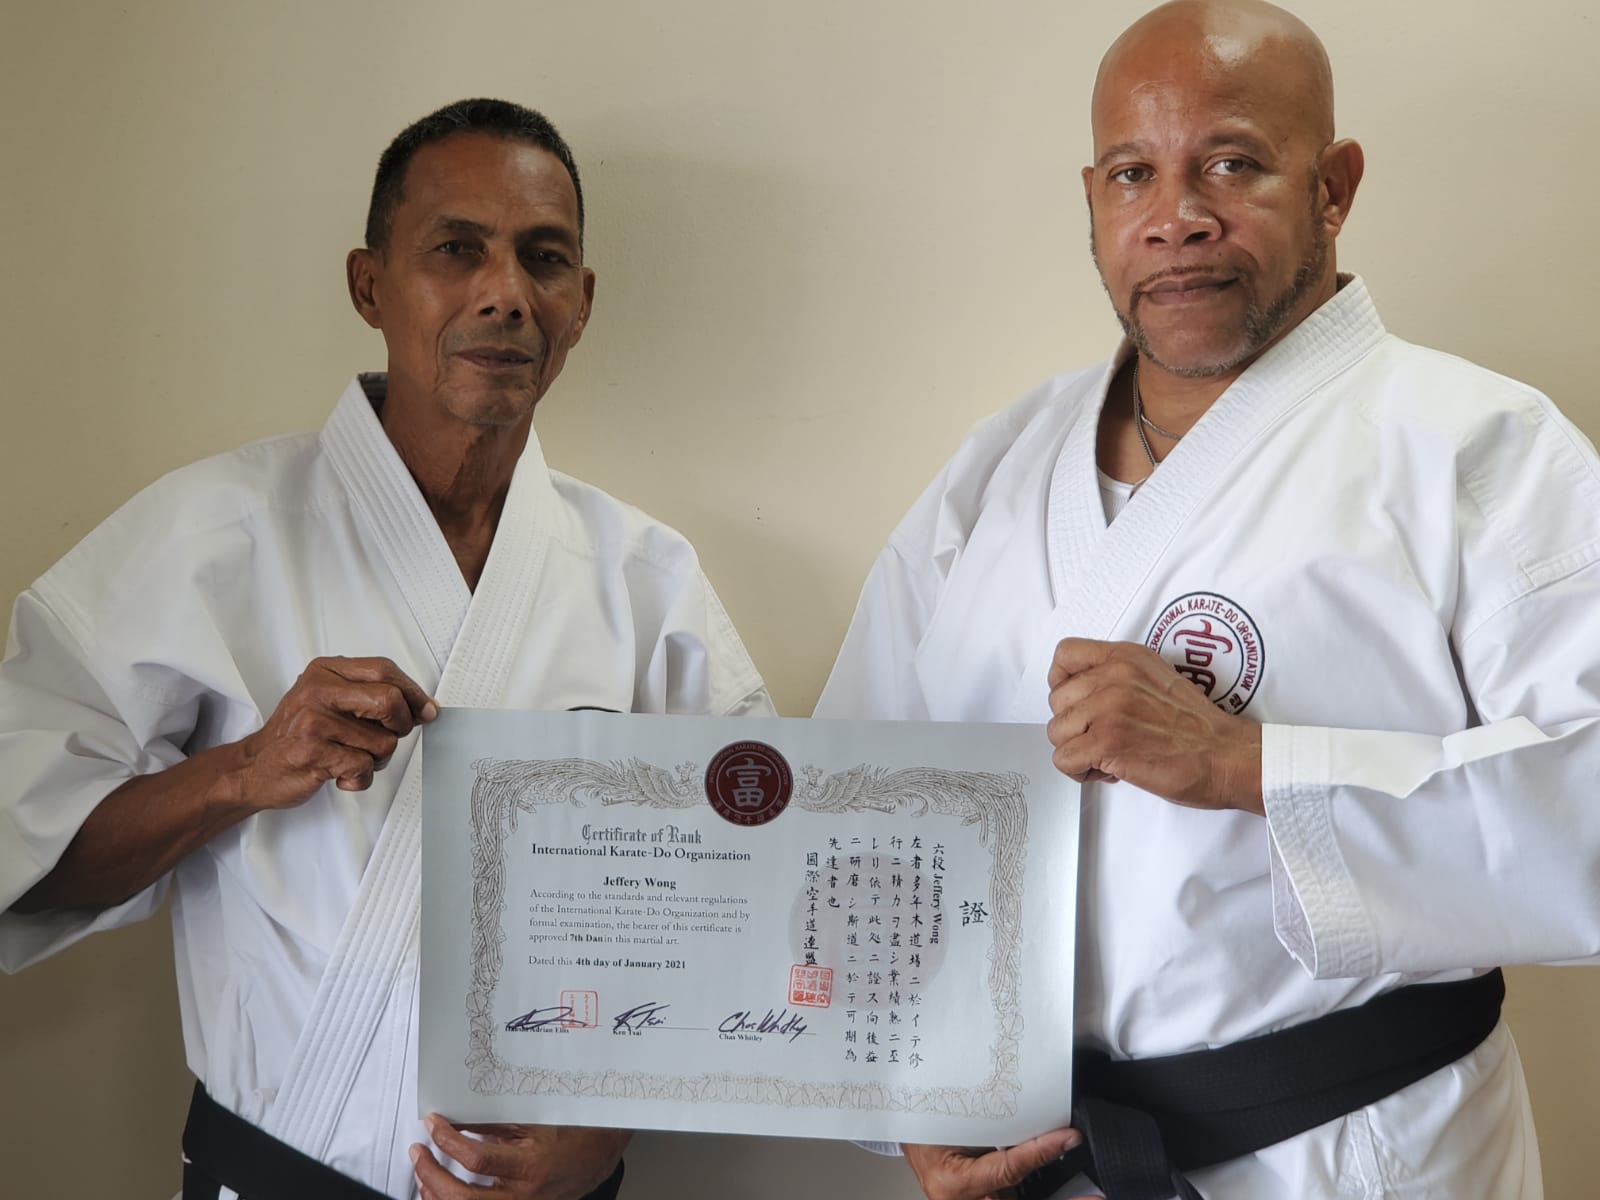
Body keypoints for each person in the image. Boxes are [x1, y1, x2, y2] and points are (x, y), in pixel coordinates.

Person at [816, 2, 1598, 1197]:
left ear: (1333, 186)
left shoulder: (1479, 450)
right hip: (1050, 1161)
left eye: (1229, 164)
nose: (1176, 218)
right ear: (1091, 201)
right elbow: (853, 809)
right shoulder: (997, 469)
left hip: (1360, 1152)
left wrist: (1249, 765)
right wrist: (911, 1093)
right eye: (1134, 174)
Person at [0, 98, 772, 1200]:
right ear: (370, 285)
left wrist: (616, 1126)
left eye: (544, 259)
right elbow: (20, 856)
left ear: (581, 305)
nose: (506, 292)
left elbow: (756, 903)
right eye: (457, 249)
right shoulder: (209, 538)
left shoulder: (647, 583)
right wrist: (239, 773)